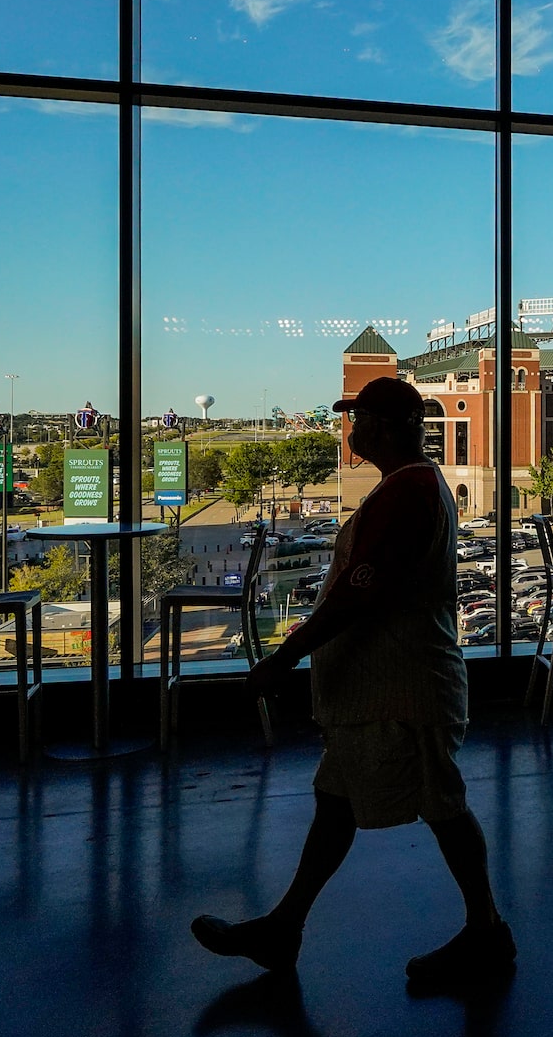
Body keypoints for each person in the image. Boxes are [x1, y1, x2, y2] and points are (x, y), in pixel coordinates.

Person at [192, 374, 515, 992]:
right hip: (386, 691)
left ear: (388, 428)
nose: (351, 429)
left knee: (442, 806)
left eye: (359, 419)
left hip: (403, 692)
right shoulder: (411, 486)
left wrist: (281, 660)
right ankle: (284, 928)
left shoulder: (406, 495)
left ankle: (487, 931)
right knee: (338, 804)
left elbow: (355, 595)